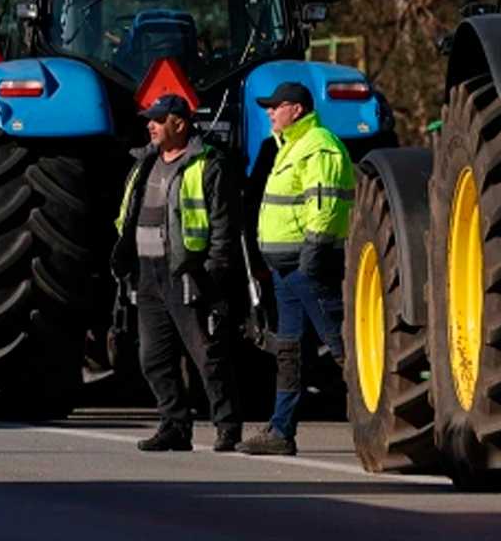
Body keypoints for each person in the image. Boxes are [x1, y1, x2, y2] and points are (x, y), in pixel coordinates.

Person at [111, 94, 243, 452]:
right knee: (153, 358)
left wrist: (213, 273)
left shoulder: (207, 163)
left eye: (157, 119)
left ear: (179, 124)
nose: (150, 125)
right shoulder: (145, 162)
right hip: (147, 273)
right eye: (149, 119)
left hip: (187, 272)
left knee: (207, 354)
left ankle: (227, 427)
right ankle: (174, 426)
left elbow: (223, 224)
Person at [237, 82, 354, 456]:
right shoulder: (289, 147)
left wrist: (312, 257)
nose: (270, 112)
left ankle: (389, 416)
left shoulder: (318, 145)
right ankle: (281, 431)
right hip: (286, 270)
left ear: (297, 110)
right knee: (289, 352)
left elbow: (326, 205)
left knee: (342, 346)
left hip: (307, 267)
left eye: (276, 106)